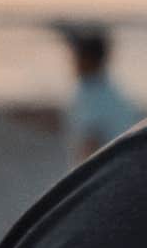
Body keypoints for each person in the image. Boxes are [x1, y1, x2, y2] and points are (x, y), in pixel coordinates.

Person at [53, 22, 142, 163]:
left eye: (77, 56)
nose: (72, 62)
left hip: (107, 175)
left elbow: (90, 144)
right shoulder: (110, 91)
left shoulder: (92, 93)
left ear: (88, 59)